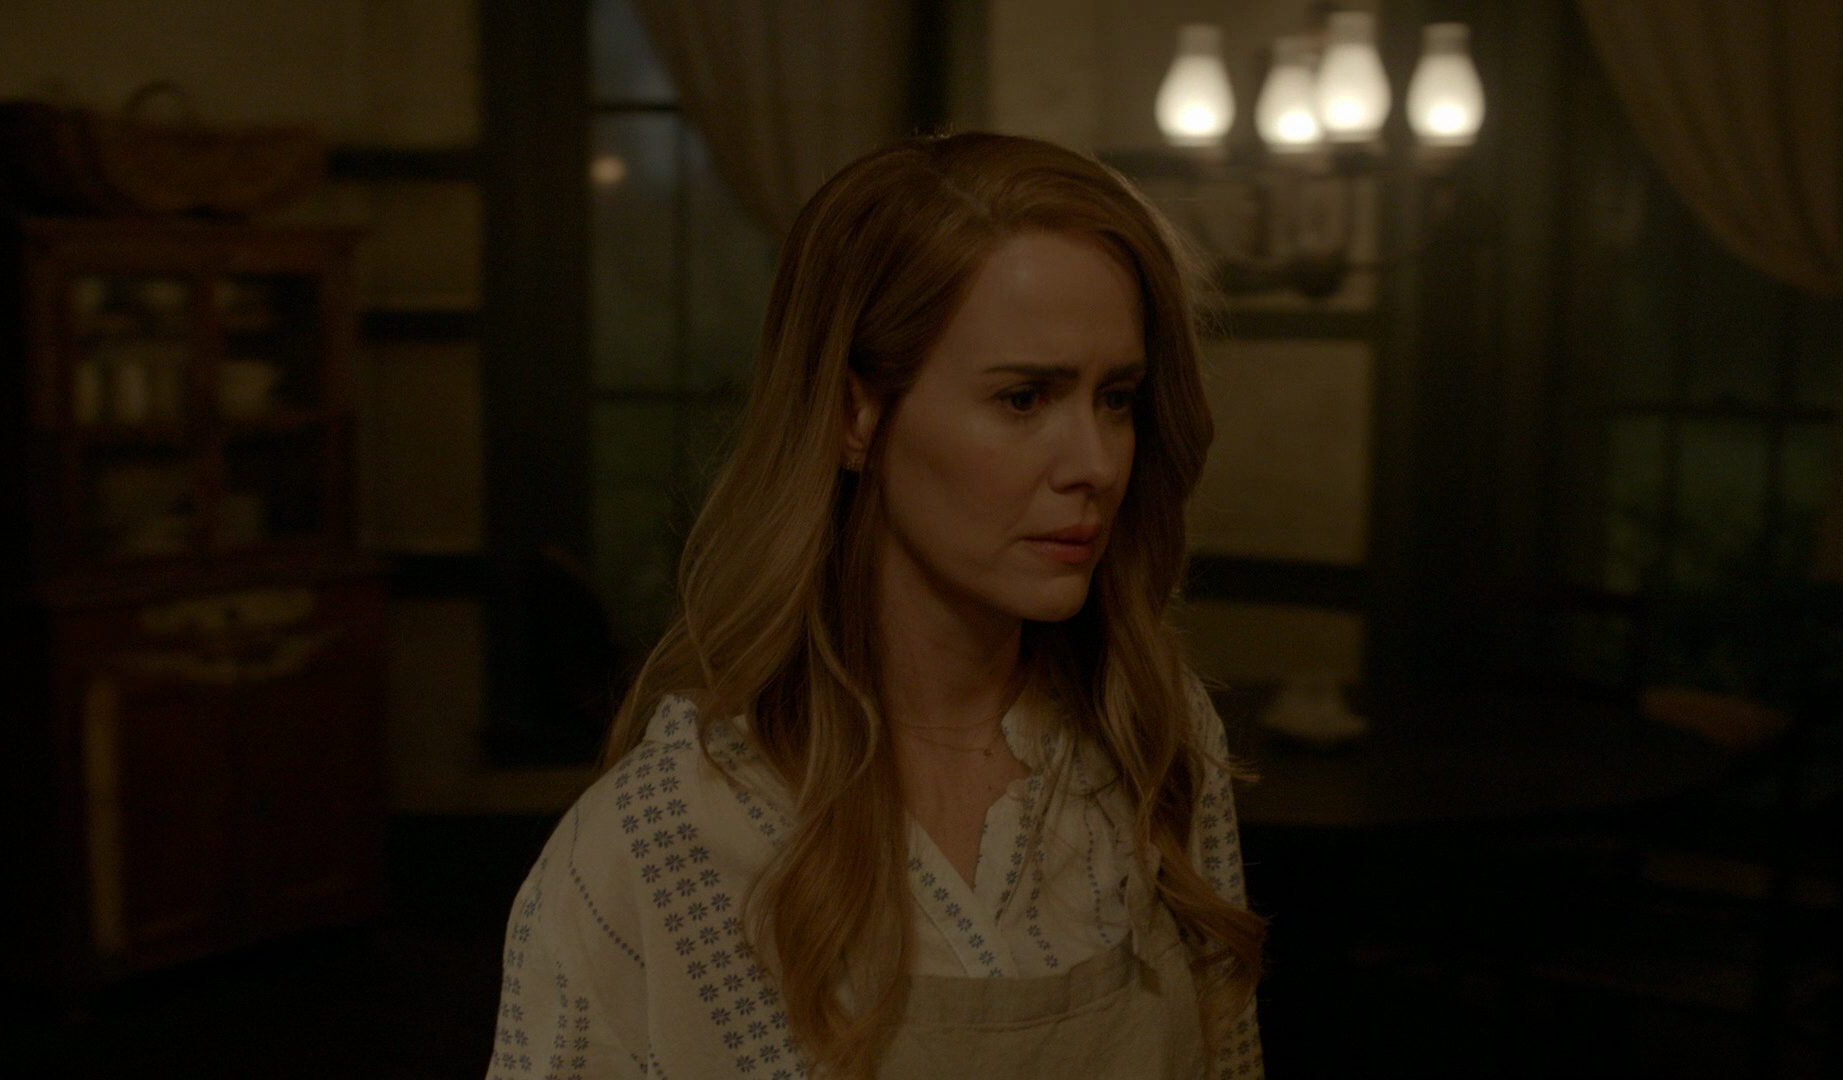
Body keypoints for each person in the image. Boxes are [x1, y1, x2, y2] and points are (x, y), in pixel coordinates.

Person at [486, 131, 1266, 1079]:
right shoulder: (673, 833)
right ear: (855, 414)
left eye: (1118, 399)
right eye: (1025, 399)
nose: (1096, 464)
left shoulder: (1153, 741)